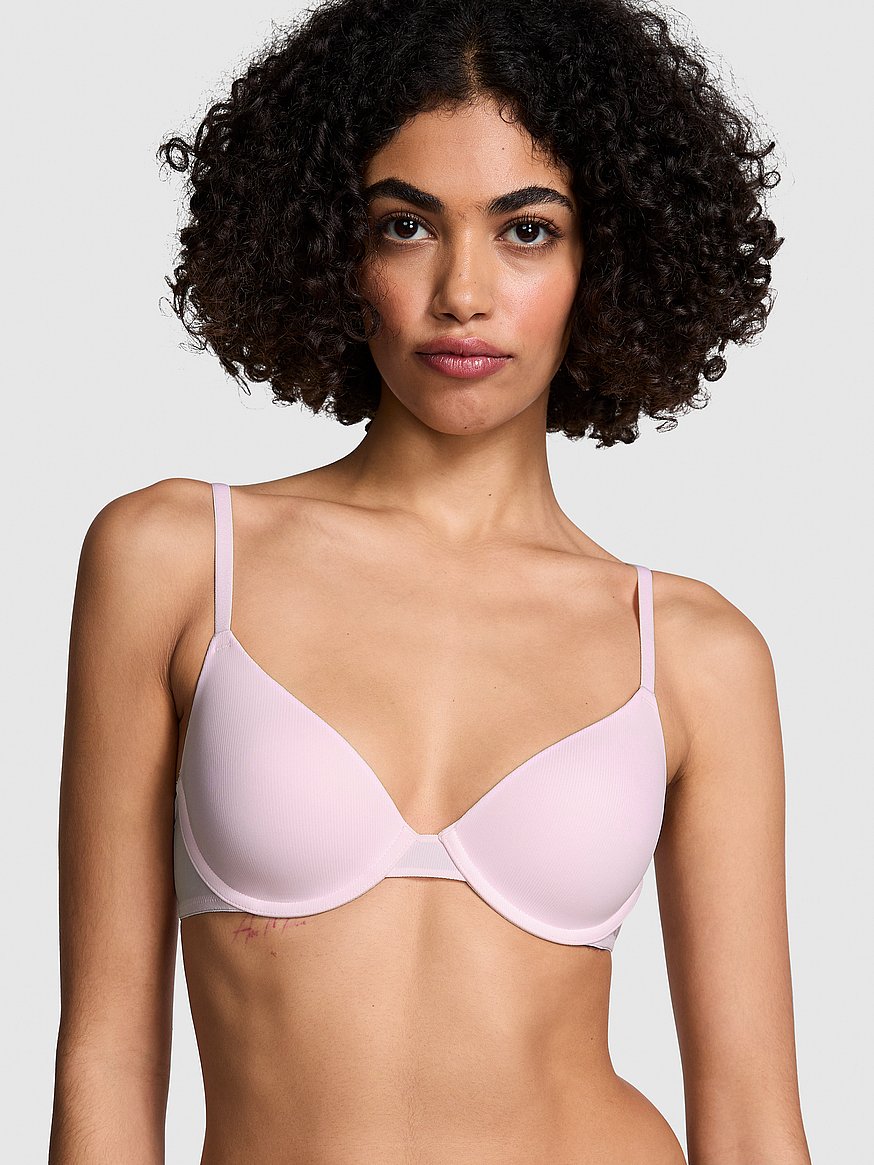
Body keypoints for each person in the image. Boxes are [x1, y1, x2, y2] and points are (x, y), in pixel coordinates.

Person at [49, 0, 812, 1161]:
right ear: (330, 249)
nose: (463, 290)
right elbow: (105, 1052)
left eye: (527, 231)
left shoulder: (693, 652)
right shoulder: (176, 559)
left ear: (605, 260)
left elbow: (753, 1119)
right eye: (405, 226)